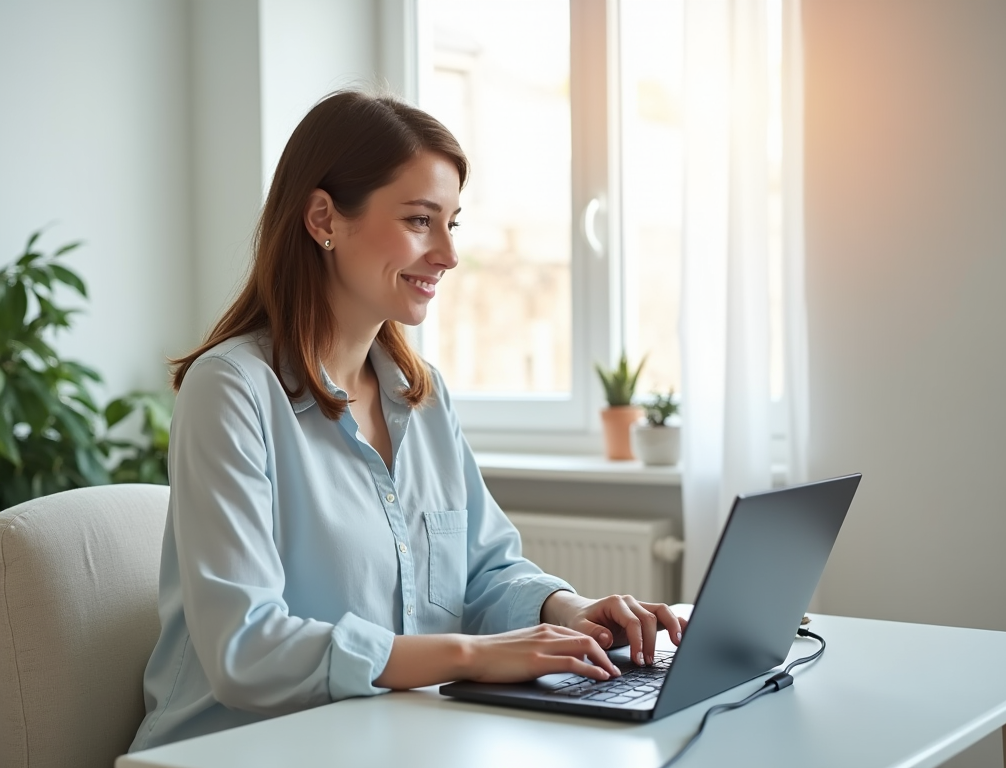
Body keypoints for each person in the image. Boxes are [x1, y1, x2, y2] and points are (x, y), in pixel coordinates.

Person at [129, 89, 685, 752]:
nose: (448, 254)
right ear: (322, 219)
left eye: (453, 223)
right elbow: (247, 649)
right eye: (422, 221)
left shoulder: (421, 397)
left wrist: (568, 614)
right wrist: (472, 656)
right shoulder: (233, 391)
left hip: (384, 738)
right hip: (234, 749)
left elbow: (484, 569)